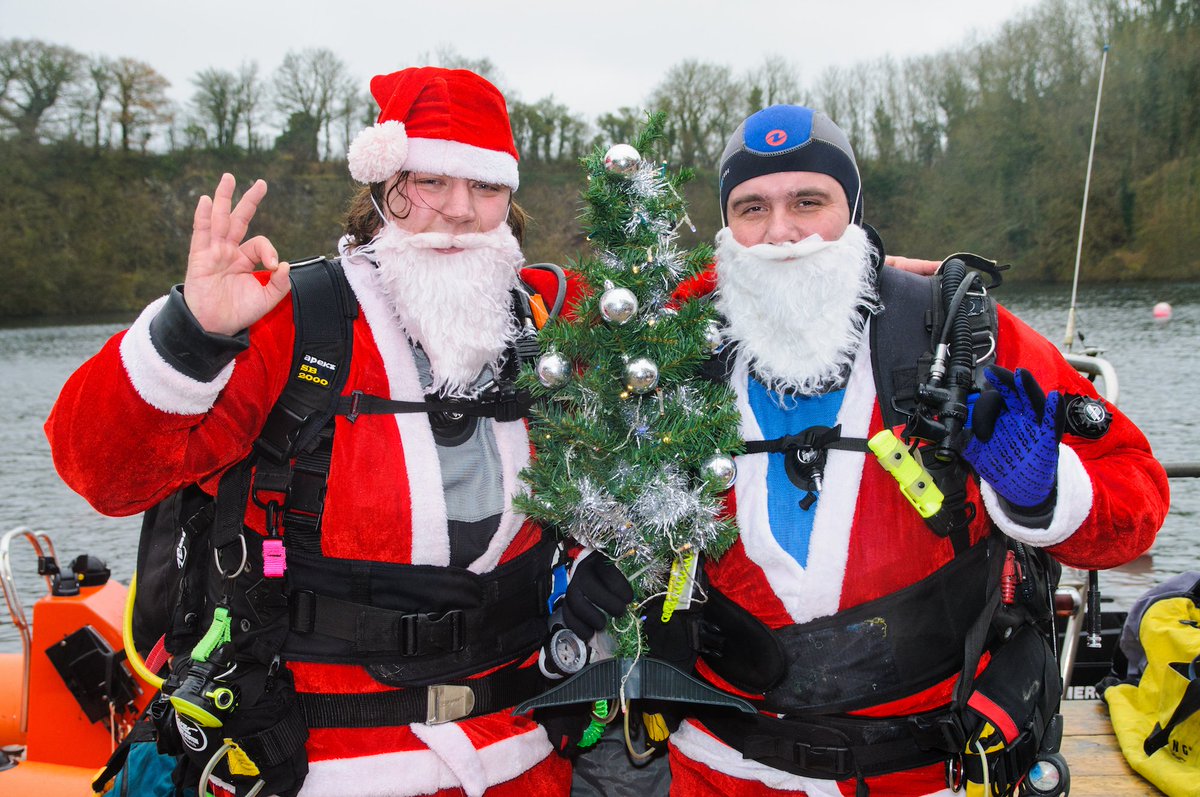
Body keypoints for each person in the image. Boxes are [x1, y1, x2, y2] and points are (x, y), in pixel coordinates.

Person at [586, 104, 1169, 796]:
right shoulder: (672, 349)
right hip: (720, 767)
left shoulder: (957, 335)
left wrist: (1045, 496)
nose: (781, 233)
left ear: (854, 207)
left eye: (809, 201)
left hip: (924, 773)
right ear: (726, 226)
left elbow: (1137, 491)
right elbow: (558, 378)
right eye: (751, 207)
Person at [46, 67, 576, 797]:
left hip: (517, 753)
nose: (459, 211)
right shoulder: (294, 320)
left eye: (485, 188)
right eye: (430, 182)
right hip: (314, 760)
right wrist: (191, 331)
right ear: (384, 186)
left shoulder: (549, 326)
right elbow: (101, 472)